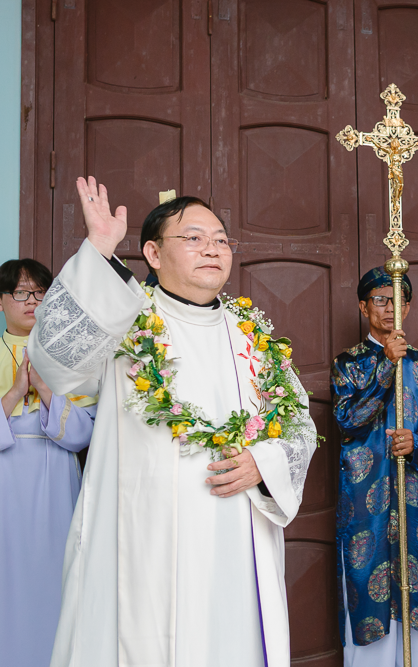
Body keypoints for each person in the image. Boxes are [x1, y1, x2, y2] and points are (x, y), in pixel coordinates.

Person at [30, 177, 318, 667]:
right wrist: (98, 251)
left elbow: (299, 425)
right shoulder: (123, 320)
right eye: (193, 238)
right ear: (153, 253)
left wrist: (264, 463)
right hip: (143, 537)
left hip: (237, 535)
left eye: (221, 239)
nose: (212, 249)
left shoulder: (253, 336)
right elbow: (55, 362)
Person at [331, 266, 418, 666]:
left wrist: (417, 442)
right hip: (365, 503)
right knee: (367, 593)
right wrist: (385, 364)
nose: (389, 308)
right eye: (380, 300)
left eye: (398, 300)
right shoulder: (348, 364)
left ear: (409, 307)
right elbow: (348, 421)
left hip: (415, 501)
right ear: (363, 307)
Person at [0, 259, 96, 667]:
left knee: (58, 572)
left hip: (58, 476)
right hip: (6, 480)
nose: (32, 301)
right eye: (21, 292)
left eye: (41, 292)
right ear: (1, 301)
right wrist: (15, 393)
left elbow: (84, 435)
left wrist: (44, 389)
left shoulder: (72, 359)